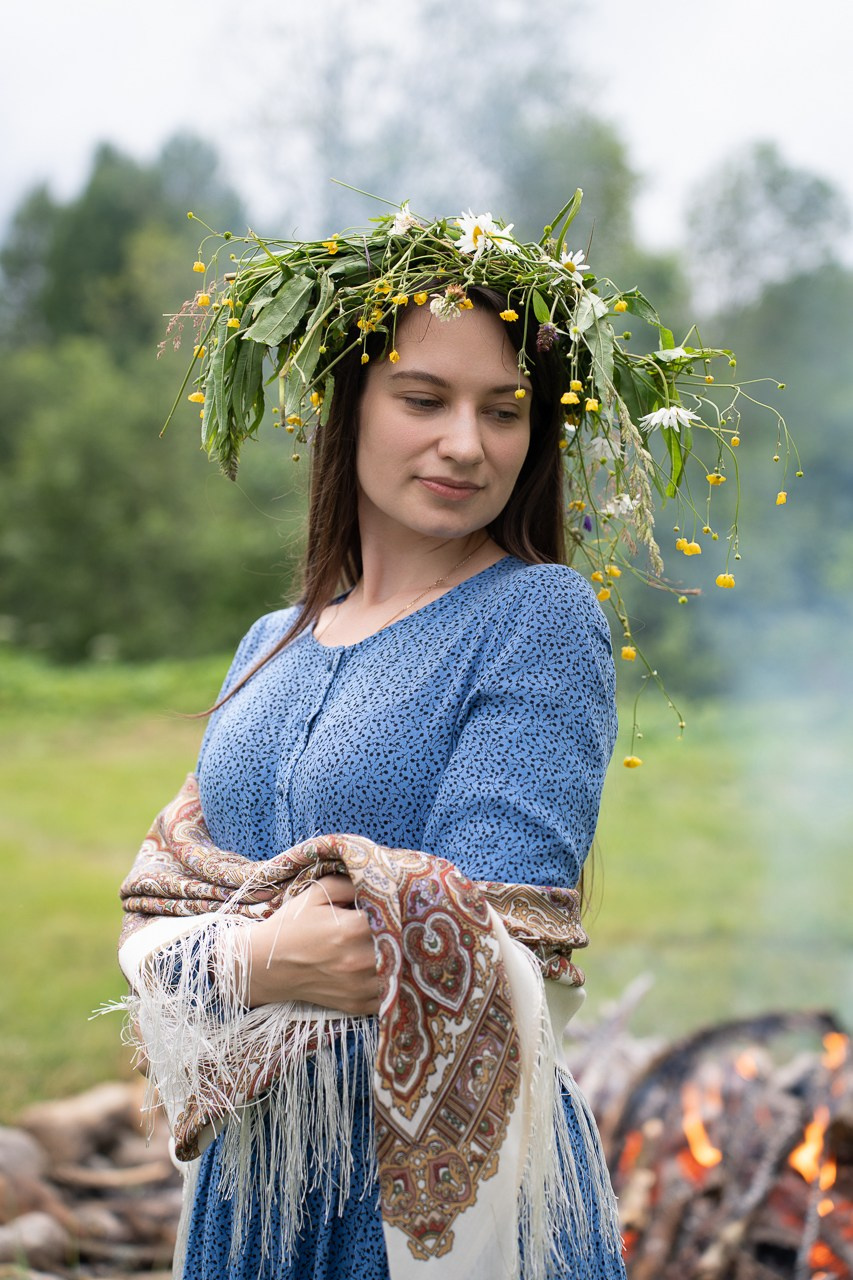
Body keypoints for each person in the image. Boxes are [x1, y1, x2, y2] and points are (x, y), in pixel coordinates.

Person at [120, 203, 687, 1280]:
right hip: (256, 1182)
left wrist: (216, 963)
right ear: (349, 404)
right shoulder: (269, 640)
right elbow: (164, 894)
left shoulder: (539, 616)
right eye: (423, 398)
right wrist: (256, 954)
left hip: (428, 1199)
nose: (467, 443)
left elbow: (486, 930)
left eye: (505, 411)